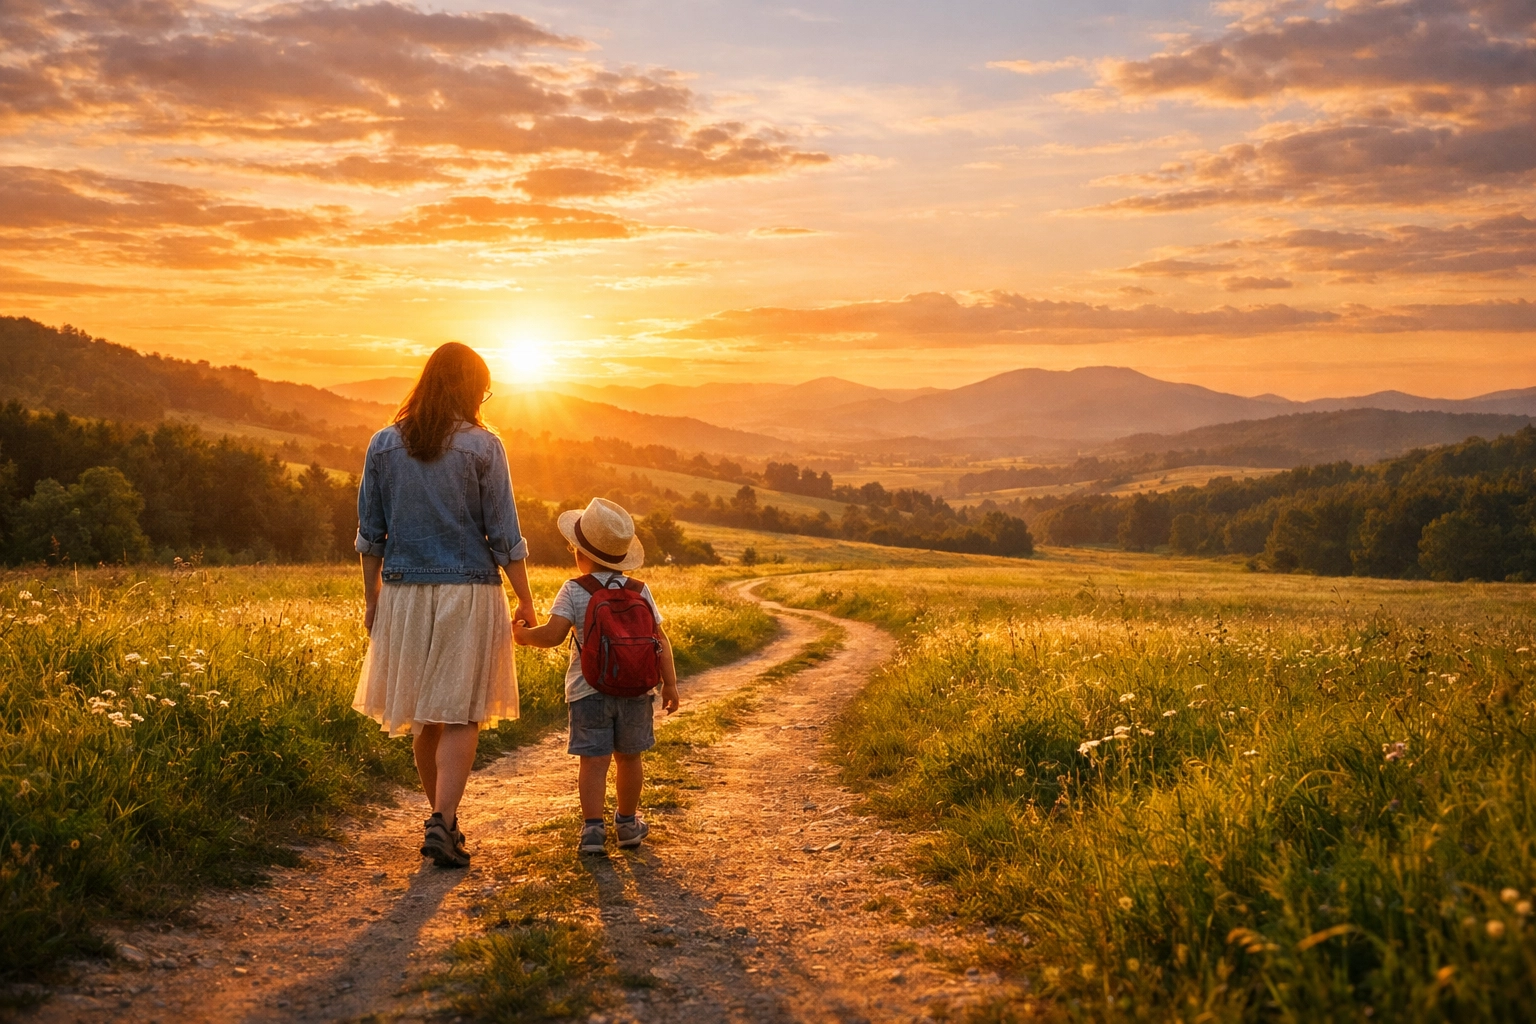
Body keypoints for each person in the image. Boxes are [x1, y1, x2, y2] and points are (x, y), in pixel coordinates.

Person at [352, 342, 536, 869]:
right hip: (470, 590)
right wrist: (525, 599)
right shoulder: (484, 446)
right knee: (462, 711)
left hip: (404, 593)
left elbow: (371, 535)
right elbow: (504, 535)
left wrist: (373, 600)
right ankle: (443, 820)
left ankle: (443, 821)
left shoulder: (383, 444)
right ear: (472, 390)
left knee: (424, 717)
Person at [513, 497, 679, 854]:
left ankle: (592, 831)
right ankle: (627, 823)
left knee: (594, 761)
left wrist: (523, 636)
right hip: (635, 690)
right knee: (630, 758)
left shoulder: (574, 589)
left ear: (579, 552)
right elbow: (660, 638)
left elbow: (554, 635)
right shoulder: (639, 590)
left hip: (587, 691)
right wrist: (671, 684)